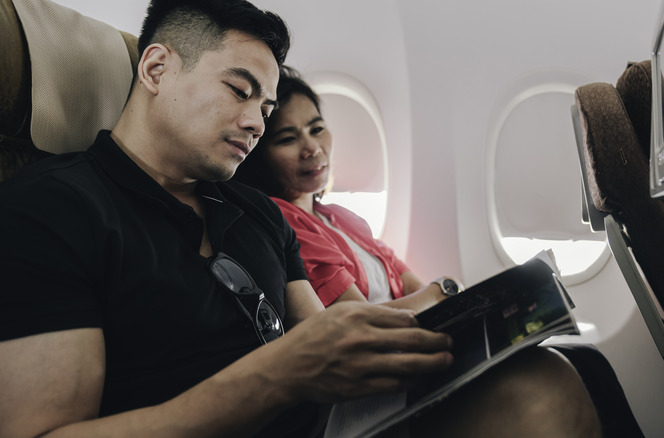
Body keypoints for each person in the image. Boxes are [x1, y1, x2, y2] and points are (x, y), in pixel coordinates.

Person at [0, 0, 602, 437]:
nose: (258, 122)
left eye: (265, 106)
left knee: (543, 374)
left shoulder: (257, 211)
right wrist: (276, 376)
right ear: (156, 69)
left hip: (324, 422)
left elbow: (322, 337)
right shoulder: (53, 209)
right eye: (239, 91)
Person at [234, 67, 458, 313]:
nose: (312, 148)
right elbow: (362, 319)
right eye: (288, 139)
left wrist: (436, 293)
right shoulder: (282, 221)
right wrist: (443, 290)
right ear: (260, 157)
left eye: (317, 129)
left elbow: (411, 283)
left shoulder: (343, 217)